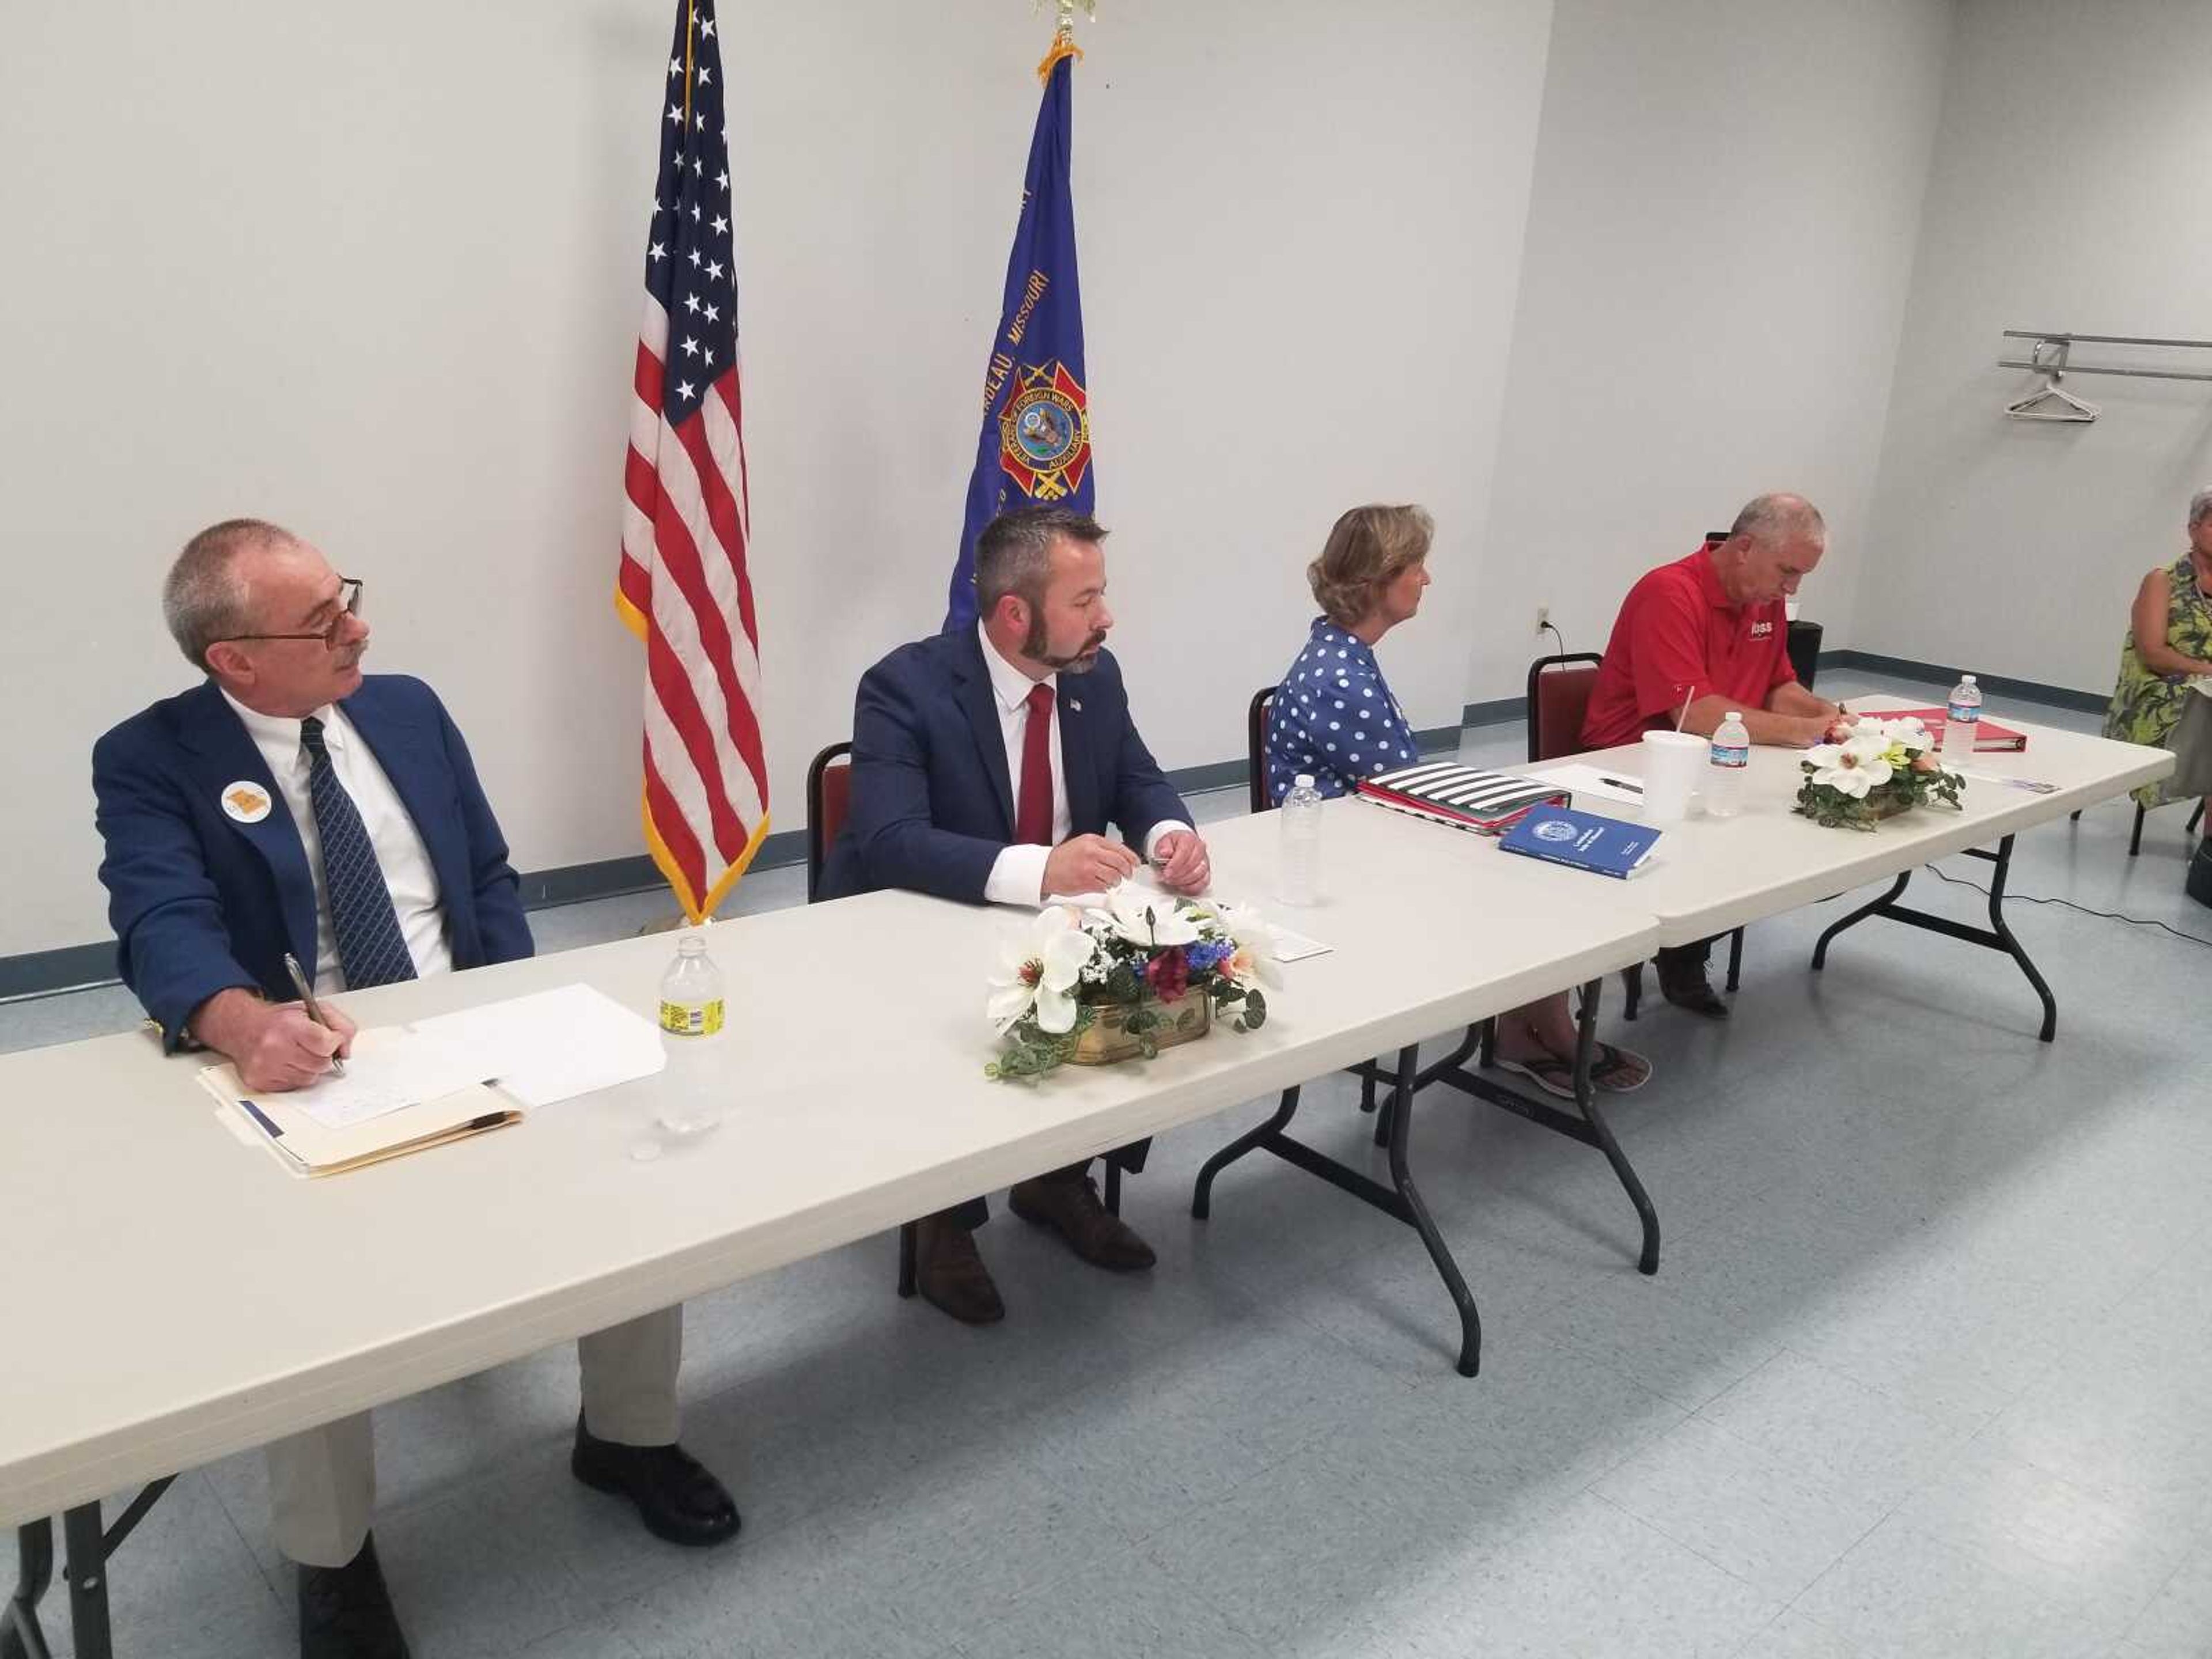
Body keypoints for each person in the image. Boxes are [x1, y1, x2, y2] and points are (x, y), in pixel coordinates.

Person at [92, 521, 738, 1659]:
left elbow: (482, 872)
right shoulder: (150, 756)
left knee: (632, 1175)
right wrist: (242, 1024)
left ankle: (627, 1436)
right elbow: (159, 921)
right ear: (233, 659)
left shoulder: (405, 709)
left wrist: (533, 1006)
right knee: (317, 1297)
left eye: (347, 599)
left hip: (469, 1011)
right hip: (313, 1043)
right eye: (324, 621)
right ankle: (333, 1558)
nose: (360, 629)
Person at [820, 506, 1210, 1323]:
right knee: (944, 1027)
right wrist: (1043, 870)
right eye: (1086, 599)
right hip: (920, 922)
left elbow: (1137, 777)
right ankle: (945, 1220)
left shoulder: (1094, 678)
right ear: (1014, 615)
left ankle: (1056, 1178)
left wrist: (1173, 835)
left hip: (1050, 919)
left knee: (1147, 971)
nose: (1106, 617)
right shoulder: (904, 687)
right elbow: (891, 842)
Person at [1267, 503, 1649, 1097]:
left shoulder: (1341, 656)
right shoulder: (1337, 678)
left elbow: (1400, 786)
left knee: (1531, 845)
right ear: (1381, 580)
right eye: (1416, 566)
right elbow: (1409, 796)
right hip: (1354, 868)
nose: (1427, 579)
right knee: (1538, 870)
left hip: (1363, 845)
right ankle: (1541, 1028)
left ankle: (1525, 1030)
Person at [1580, 494, 1844, 1017]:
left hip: (1720, 760)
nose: (1791, 589)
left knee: (1782, 827)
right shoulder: (1669, 592)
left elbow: (1778, 686)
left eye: (1801, 577)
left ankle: (1689, 940)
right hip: (1633, 765)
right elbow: (1694, 713)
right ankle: (1681, 946)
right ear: (1744, 548)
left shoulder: (1762, 599)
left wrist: (1832, 719)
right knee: (1747, 833)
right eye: (1787, 571)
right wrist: (1805, 732)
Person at [2103, 486, 2212, 821]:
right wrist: (2207, 669)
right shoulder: (2161, 581)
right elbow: (2154, 654)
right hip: (2164, 692)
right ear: (2193, 529)